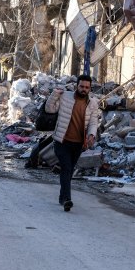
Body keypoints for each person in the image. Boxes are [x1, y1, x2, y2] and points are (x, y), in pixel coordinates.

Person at [45, 74, 100, 212]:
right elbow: (49, 109)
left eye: (87, 87)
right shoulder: (65, 97)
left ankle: (62, 196)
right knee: (67, 168)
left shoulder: (93, 103)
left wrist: (92, 135)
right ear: (77, 86)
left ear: (90, 88)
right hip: (61, 140)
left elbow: (93, 122)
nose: (84, 89)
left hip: (78, 144)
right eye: (81, 86)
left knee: (68, 172)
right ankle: (66, 199)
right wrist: (55, 94)